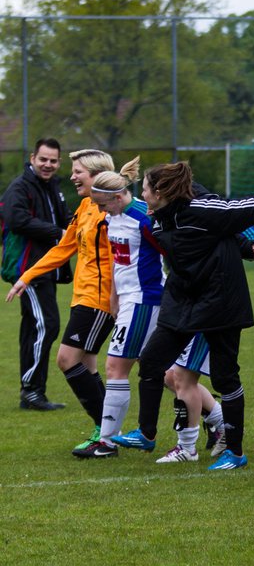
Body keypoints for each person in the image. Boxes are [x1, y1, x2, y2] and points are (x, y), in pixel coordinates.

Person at [133, 161, 254, 469]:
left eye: (144, 188)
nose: (140, 194)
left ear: (159, 192)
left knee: (225, 378)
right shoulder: (158, 215)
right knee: (152, 363)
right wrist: (245, 247)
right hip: (183, 300)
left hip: (221, 302)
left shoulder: (204, 209)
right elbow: (217, 238)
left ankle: (235, 453)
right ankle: (147, 433)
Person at [7, 149, 117, 454]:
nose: (71, 176)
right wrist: (26, 277)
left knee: (67, 360)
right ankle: (106, 432)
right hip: (82, 297)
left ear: (95, 174)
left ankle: (105, 434)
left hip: (100, 299)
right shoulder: (84, 207)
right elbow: (63, 249)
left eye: (77, 171)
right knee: (86, 364)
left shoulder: (113, 210)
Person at [70, 159, 165, 458]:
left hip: (144, 300)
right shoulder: (113, 217)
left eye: (102, 204)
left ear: (118, 196)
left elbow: (172, 252)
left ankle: (108, 440)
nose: (100, 211)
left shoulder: (144, 217)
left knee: (115, 366)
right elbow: (117, 260)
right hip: (127, 300)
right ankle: (215, 419)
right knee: (171, 374)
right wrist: (114, 297)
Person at [2, 137, 70, 411]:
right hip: (27, 269)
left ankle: (32, 391)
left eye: (53, 160)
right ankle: (31, 390)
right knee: (47, 324)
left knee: (34, 325)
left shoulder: (52, 186)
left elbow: (64, 217)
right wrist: (59, 233)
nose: (48, 165)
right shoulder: (20, 187)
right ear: (32, 158)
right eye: (43, 159)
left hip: (44, 267)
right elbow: (17, 220)